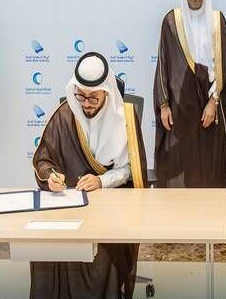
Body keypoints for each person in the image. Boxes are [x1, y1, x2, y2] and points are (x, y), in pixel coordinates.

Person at [31, 52, 147, 299]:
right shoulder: (64, 115)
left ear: (107, 93)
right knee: (45, 246)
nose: (86, 104)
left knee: (104, 253)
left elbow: (130, 170)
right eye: (80, 96)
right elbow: (44, 159)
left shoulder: (124, 118)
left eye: (93, 98)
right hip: (70, 203)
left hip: (110, 202)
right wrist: (51, 176)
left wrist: (101, 181)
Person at [153, 0, 226, 188]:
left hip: (210, 106)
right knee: (184, 163)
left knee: (210, 164)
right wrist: (164, 104)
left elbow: (225, 62)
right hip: (181, 107)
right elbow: (163, 62)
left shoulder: (217, 20)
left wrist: (214, 101)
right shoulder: (171, 21)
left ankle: (212, 208)